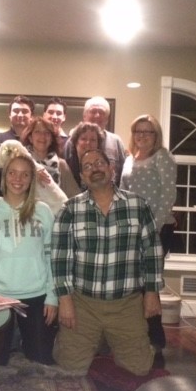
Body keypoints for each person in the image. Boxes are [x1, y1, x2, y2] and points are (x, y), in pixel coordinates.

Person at [51, 149, 164, 376]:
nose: (94, 169)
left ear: (112, 168)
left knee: (139, 369)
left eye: (99, 163)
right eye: (87, 166)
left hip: (126, 304)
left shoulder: (138, 205)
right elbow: (60, 258)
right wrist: (65, 300)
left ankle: (112, 342)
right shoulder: (70, 209)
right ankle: (82, 341)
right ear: (82, 177)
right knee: (69, 368)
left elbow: (152, 251)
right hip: (83, 304)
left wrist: (152, 292)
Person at [0, 154, 57, 365]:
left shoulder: (43, 211)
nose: (18, 179)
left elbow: (52, 257)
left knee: (41, 360)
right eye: (12, 173)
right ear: (4, 176)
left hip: (36, 294)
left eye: (25, 174)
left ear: (31, 179)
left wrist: (52, 296)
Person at [120, 114, 177, 351]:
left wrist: (155, 227)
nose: (142, 135)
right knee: (134, 283)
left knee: (149, 283)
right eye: (138, 131)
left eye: (147, 131)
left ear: (156, 135)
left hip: (157, 229)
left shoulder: (162, 157)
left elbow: (168, 195)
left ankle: (155, 338)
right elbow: (122, 193)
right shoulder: (129, 159)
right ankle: (137, 334)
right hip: (132, 230)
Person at [64, 97, 126, 185]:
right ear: (84, 116)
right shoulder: (71, 142)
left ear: (107, 119)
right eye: (93, 111)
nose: (97, 115)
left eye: (101, 112)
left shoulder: (116, 142)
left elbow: (122, 175)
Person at [21, 116, 80, 198]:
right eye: (37, 132)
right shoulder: (21, 162)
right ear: (30, 138)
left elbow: (74, 195)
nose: (42, 136)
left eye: (47, 133)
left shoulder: (61, 165)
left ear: (52, 139)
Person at [65, 122, 105, 188]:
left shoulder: (103, 166)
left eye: (93, 140)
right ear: (76, 142)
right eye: (83, 139)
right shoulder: (65, 166)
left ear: (98, 144)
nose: (88, 143)